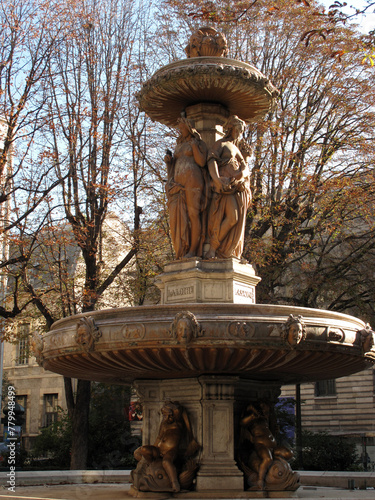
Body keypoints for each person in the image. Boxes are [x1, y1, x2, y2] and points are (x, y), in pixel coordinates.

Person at [205, 115, 251, 259]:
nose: (239, 133)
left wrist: (240, 177)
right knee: (230, 217)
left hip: (234, 187)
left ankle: (221, 249)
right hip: (223, 187)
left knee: (234, 218)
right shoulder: (221, 144)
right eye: (238, 130)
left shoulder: (236, 149)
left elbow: (245, 168)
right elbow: (211, 161)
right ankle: (212, 248)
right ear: (231, 128)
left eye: (242, 131)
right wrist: (217, 180)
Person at [164, 118, 208, 259]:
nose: (180, 131)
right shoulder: (179, 145)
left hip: (193, 181)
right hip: (178, 184)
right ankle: (183, 248)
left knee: (193, 215)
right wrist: (169, 162)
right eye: (179, 128)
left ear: (189, 128)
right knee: (180, 216)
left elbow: (202, 162)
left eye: (182, 128)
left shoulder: (197, 142)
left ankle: (194, 250)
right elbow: (173, 166)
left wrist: (194, 146)